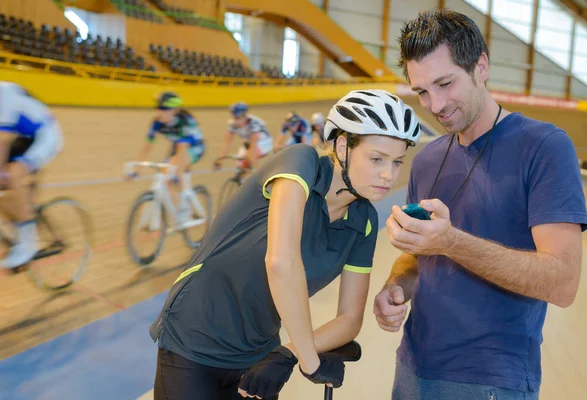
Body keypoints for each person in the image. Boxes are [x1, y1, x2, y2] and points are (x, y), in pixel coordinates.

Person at [372, 9, 587, 400]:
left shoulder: (544, 147)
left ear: (481, 66)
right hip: (412, 367)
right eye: (422, 91)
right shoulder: (426, 159)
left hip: (491, 378)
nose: (434, 105)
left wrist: (452, 241)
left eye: (444, 83)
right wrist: (396, 286)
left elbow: (562, 283)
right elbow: (417, 258)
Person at [149, 89, 422, 400]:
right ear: (343, 146)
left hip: (257, 351)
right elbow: (281, 263)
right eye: (377, 159)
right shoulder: (300, 163)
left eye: (397, 162)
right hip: (194, 339)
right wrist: (310, 361)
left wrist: (287, 354)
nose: (389, 174)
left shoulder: (365, 221)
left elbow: (349, 319)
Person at [0, 82, 63, 269]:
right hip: (25, 138)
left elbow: (2, 144)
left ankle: (27, 244)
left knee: (12, 174)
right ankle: (21, 212)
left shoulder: (3, 95)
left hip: (47, 136)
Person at [129, 92, 204, 222]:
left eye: (164, 109)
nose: (159, 112)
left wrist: (174, 167)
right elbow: (146, 147)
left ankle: (185, 205)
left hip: (194, 147)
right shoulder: (156, 123)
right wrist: (136, 167)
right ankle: (179, 212)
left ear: (175, 110)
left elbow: (182, 151)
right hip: (177, 147)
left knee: (175, 169)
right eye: (158, 108)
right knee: (167, 176)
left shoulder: (184, 121)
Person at [214, 102, 273, 172]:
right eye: (235, 118)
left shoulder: (253, 124)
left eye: (239, 118)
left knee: (249, 161)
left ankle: (260, 178)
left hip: (263, 143)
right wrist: (219, 160)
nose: (237, 121)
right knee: (239, 164)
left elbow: (253, 145)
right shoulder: (233, 125)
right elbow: (227, 144)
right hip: (248, 142)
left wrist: (253, 163)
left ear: (245, 116)